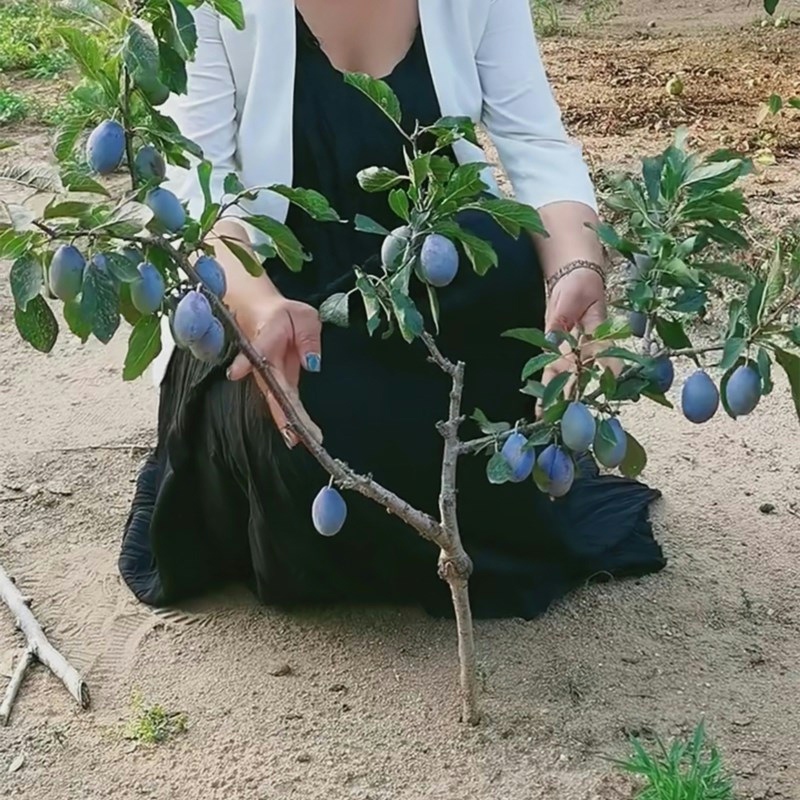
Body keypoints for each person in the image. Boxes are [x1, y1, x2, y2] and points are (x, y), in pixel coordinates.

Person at [119, 0, 665, 620]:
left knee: (509, 263)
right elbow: (196, 192)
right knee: (314, 426)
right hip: (272, 287)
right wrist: (260, 306)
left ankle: (460, 498)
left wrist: (576, 268)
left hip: (423, 282)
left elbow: (534, 138)